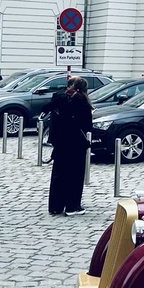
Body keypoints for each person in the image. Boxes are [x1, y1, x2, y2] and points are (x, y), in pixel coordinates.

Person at [45, 76, 93, 216]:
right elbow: (87, 125)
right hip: (75, 143)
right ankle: (72, 206)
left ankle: (55, 206)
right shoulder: (81, 101)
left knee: (59, 175)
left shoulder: (59, 98)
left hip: (60, 143)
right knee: (75, 175)